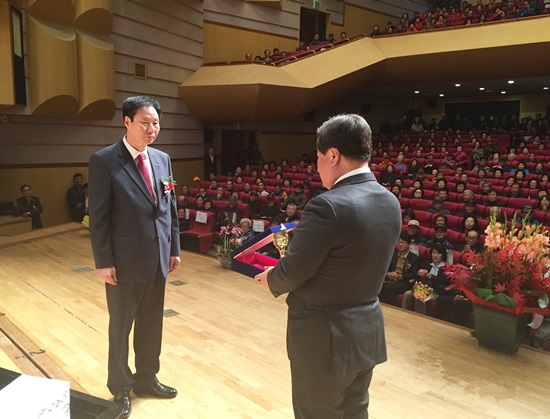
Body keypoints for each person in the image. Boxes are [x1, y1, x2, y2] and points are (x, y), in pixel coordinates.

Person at [254, 114, 401, 419]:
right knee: (355, 412)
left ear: (333, 155)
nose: (317, 165)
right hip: (366, 330)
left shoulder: (328, 205)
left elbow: (294, 271)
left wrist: (272, 279)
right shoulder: (389, 201)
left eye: (319, 157)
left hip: (324, 338)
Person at [88, 96, 180, 418]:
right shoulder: (104, 161)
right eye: (145, 122)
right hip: (123, 264)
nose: (152, 129)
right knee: (121, 327)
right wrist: (103, 261)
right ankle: (120, 387)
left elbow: (170, 208)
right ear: (126, 122)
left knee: (152, 323)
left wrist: (174, 248)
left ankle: (146, 379)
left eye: (155, 122)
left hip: (158, 259)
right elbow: (99, 217)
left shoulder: (162, 159)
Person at [380, 232, 421, 306]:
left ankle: (391, 308)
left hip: (404, 282)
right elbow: (386, 266)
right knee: (379, 284)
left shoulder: (414, 258)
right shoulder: (393, 254)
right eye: (399, 242)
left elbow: (413, 274)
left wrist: (398, 276)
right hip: (390, 278)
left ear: (409, 244)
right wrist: (387, 274)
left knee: (390, 288)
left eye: (403, 242)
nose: (400, 244)